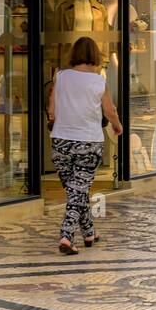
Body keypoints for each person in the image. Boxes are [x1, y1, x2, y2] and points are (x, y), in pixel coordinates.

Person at [47, 36, 123, 255]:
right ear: (95, 56)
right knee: (77, 191)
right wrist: (117, 125)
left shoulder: (60, 77)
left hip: (61, 141)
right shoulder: (99, 82)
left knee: (76, 191)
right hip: (88, 142)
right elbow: (110, 111)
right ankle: (66, 235)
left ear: (74, 54)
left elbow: (52, 110)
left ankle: (89, 232)